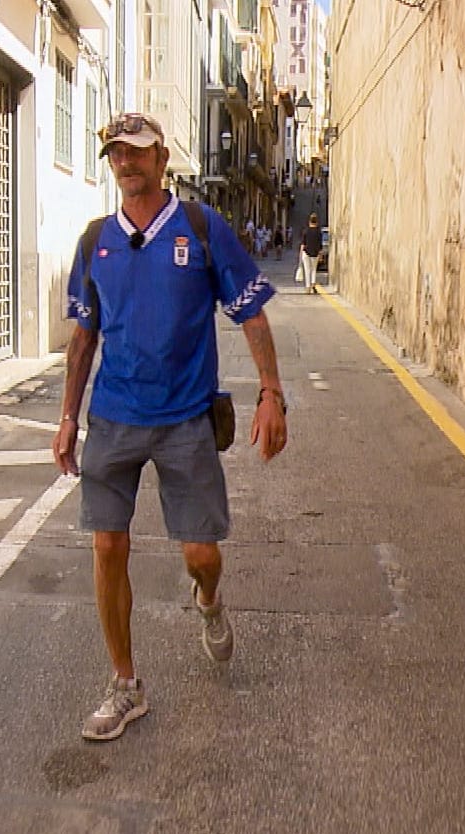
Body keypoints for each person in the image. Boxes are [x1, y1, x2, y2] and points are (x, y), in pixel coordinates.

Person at [52, 113, 289, 742]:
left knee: (201, 554)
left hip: (185, 419)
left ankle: (208, 599)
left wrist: (271, 393)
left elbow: (252, 316)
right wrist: (68, 417)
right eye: (115, 154)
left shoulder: (202, 229)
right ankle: (126, 684)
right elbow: (83, 338)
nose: (126, 163)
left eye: (137, 152)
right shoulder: (94, 239)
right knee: (107, 546)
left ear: (162, 159)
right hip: (113, 418)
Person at [300, 212, 324, 293]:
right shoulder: (319, 232)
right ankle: (313, 283)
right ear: (317, 221)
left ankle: (308, 288)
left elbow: (303, 244)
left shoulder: (306, 231)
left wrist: (300, 255)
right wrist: (320, 255)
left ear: (309, 221)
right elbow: (320, 245)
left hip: (306, 253)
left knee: (307, 270)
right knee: (314, 269)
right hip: (315, 253)